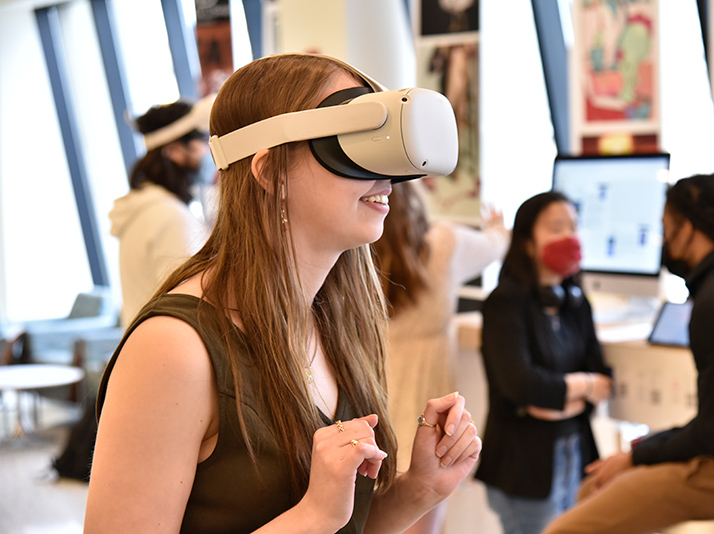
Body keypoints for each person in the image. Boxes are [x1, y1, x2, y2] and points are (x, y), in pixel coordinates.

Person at [85, 53, 481, 534]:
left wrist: (419, 490)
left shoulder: (338, 323)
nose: (384, 176)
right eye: (352, 144)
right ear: (270, 172)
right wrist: (312, 516)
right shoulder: (174, 349)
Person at [542, 173, 714, 534]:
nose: (662, 241)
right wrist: (643, 450)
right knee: (597, 485)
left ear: (690, 228)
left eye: (665, 228)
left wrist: (636, 454)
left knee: (563, 528)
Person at [372, 180, 509, 534]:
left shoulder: (355, 259)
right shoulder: (444, 246)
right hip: (428, 426)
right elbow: (497, 244)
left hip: (371, 419)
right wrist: (496, 224)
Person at [475, 191, 613, 534]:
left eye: (574, 227)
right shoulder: (504, 302)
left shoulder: (577, 302)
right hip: (523, 466)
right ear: (525, 242)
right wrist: (584, 389)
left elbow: (603, 378)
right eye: (556, 228)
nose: (570, 237)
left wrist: (557, 402)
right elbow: (522, 386)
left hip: (576, 455)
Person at [109, 95, 216, 327]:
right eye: (202, 144)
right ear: (175, 150)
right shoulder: (170, 216)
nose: (208, 154)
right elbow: (191, 305)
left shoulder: (145, 208)